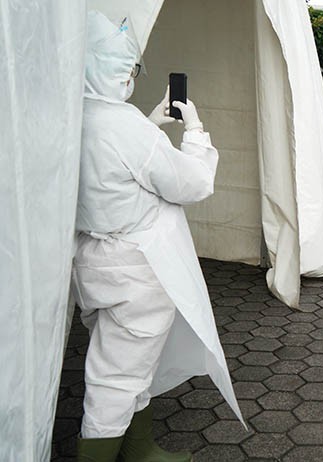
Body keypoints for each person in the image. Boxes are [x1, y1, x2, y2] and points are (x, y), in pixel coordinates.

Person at [72, 11, 240, 461]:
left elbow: (117, 163)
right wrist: (196, 131)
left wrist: (151, 122)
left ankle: (141, 450)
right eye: (125, 67)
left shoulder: (73, 117)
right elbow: (192, 183)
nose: (129, 76)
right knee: (117, 379)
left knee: (126, 364)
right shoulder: (122, 126)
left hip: (93, 263)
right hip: (137, 272)